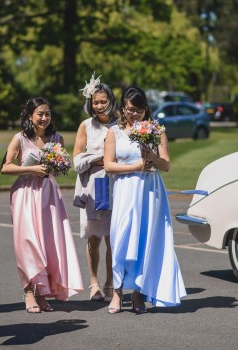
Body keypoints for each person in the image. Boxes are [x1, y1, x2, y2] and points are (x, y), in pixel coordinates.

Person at [103, 85, 186, 314]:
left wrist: (152, 157)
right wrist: (136, 165)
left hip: (149, 192)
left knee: (144, 241)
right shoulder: (114, 132)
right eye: (130, 109)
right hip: (124, 190)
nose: (134, 114)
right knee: (121, 239)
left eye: (139, 109)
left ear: (145, 109)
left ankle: (138, 294)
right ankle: (117, 293)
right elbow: (108, 165)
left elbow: (166, 165)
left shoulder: (156, 130)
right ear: (122, 108)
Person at [1, 97, 83, 313]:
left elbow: (60, 168)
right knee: (28, 243)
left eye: (47, 113)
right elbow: (5, 167)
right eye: (40, 114)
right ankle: (28, 291)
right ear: (30, 116)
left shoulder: (57, 138)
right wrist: (31, 170)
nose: (45, 118)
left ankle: (42, 292)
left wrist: (57, 165)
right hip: (25, 194)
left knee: (48, 243)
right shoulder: (20, 139)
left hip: (48, 195)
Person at [73, 74, 118, 302]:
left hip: (116, 185)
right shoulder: (86, 126)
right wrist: (96, 159)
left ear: (111, 100)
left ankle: (111, 281)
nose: (99, 105)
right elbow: (76, 161)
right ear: (90, 103)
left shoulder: (121, 125)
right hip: (93, 187)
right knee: (94, 238)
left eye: (103, 101)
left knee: (113, 237)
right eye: (96, 102)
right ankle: (94, 282)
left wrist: (107, 161)